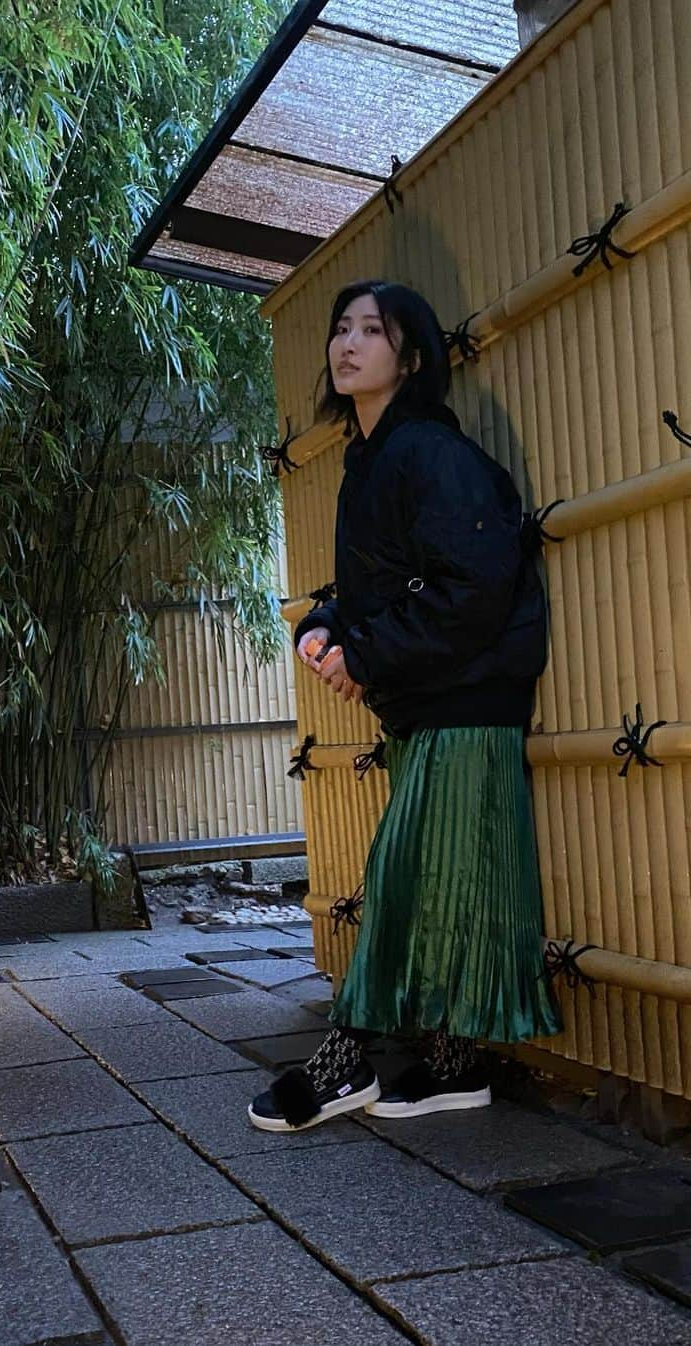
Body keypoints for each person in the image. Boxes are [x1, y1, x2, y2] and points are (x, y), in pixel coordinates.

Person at [248, 279, 561, 1132]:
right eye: (340, 328)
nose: (347, 344)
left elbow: (476, 586)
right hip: (433, 704)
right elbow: (380, 592)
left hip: (470, 702)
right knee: (439, 886)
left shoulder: (429, 451)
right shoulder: (374, 460)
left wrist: (368, 652)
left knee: (401, 880)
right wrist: (325, 629)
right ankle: (453, 1065)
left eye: (371, 331)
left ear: (411, 356)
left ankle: (349, 1061)